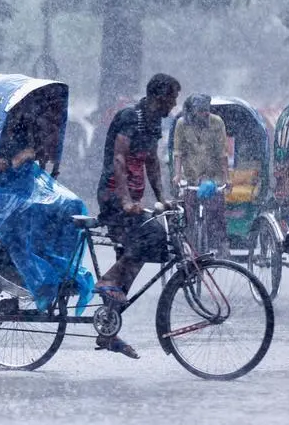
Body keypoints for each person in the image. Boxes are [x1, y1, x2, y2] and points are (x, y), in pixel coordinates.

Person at [95, 73, 181, 359]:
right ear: (159, 97)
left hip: (132, 198)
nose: (174, 103)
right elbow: (119, 158)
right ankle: (106, 281)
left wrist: (161, 198)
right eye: (172, 97)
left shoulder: (154, 121)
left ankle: (108, 330)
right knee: (153, 235)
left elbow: (152, 161)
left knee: (135, 257)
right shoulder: (131, 117)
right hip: (113, 196)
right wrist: (125, 199)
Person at [172, 94, 230, 257]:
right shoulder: (182, 124)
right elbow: (178, 152)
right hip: (191, 176)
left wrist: (227, 178)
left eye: (207, 110)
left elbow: (222, 153)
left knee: (217, 213)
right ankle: (190, 247)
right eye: (201, 111)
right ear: (192, 111)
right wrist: (177, 175)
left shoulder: (217, 123)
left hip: (213, 176)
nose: (205, 114)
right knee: (188, 215)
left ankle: (222, 244)